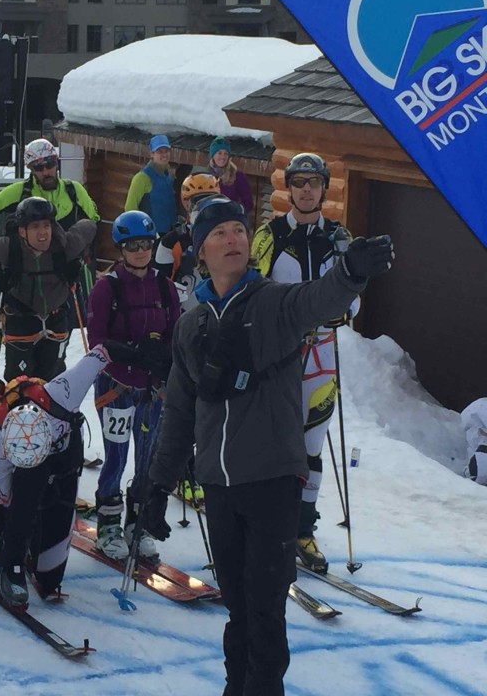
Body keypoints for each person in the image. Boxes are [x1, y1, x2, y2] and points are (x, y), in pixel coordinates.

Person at [142, 195, 394, 696]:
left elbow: (320, 298)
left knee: (264, 606)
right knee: (237, 604)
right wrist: (157, 486)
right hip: (218, 485)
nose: (233, 239)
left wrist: (350, 271)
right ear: (200, 251)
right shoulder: (192, 325)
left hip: (273, 482)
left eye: (239, 230)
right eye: (219, 233)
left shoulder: (275, 303)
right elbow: (179, 412)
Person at [251, 152, 357, 573]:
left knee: (312, 446)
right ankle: (265, 524)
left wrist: (347, 311)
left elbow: (355, 289)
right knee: (273, 443)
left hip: (323, 356)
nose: (306, 189)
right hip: (279, 355)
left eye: (314, 182)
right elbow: (253, 292)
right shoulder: (269, 234)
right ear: (289, 187)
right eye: (299, 182)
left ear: (324, 187)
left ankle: (302, 529)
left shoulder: (341, 236)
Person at [0, 342, 146, 605]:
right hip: (30, 469)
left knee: (51, 576)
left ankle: (40, 551)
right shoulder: (0, 447)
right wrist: (3, 558)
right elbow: (5, 501)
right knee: (24, 497)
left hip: (66, 452)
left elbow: (103, 352)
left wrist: (145, 359)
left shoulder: (64, 390)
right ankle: (13, 564)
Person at [86, 211, 179, 560]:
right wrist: (132, 355)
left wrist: (164, 357)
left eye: (146, 245)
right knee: (116, 456)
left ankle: (136, 524)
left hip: (153, 389)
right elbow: (97, 340)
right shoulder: (106, 286)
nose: (141, 252)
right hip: (117, 385)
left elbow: (175, 330)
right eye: (133, 246)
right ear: (121, 249)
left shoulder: (163, 286)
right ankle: (108, 524)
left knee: (148, 458)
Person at [0, 197, 97, 381]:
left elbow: (89, 226)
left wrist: (78, 259)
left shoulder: (65, 245)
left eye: (46, 225)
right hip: (20, 317)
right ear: (22, 231)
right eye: (35, 227)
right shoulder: (9, 248)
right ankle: (17, 409)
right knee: (18, 381)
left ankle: (50, 410)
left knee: (52, 379)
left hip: (56, 318)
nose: (43, 233)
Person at [0, 139, 99, 237]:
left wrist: (90, 258)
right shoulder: (19, 191)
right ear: (31, 170)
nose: (45, 172)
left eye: (49, 164)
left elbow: (95, 221)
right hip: (30, 266)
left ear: (57, 164)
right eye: (38, 167)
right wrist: (3, 255)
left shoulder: (74, 190)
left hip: (67, 265)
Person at [155, 173, 222, 313]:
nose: (204, 207)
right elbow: (159, 286)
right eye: (199, 202)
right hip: (184, 316)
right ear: (187, 204)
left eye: (210, 201)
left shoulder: (227, 237)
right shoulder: (171, 241)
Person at [125, 135, 177, 234]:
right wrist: (138, 231)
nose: (164, 155)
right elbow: (130, 207)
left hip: (169, 233)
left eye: (166, 151)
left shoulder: (169, 175)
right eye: (160, 152)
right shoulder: (142, 177)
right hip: (150, 234)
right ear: (152, 154)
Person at [208, 137, 255, 219]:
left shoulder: (238, 176)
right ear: (213, 155)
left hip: (232, 221)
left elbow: (248, 203)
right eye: (219, 153)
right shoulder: (206, 176)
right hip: (211, 222)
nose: (223, 157)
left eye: (226, 153)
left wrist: (234, 210)